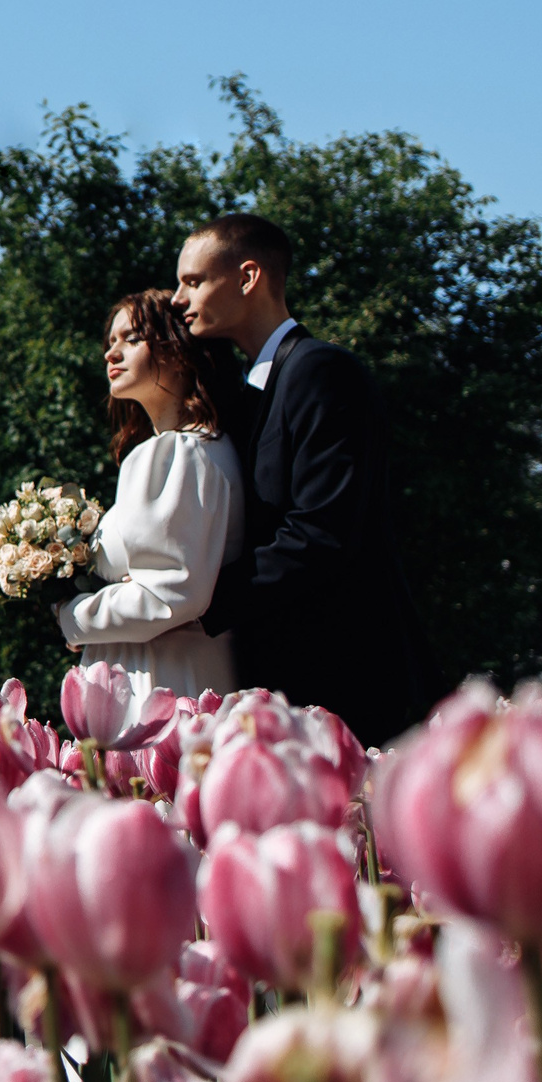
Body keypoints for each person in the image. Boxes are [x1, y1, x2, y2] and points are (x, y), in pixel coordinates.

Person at [174, 212, 425, 744]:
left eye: (193, 282)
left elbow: (321, 533)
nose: (179, 299)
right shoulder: (245, 395)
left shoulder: (321, 372)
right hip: (276, 681)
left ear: (248, 277)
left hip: (345, 681)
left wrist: (187, 603)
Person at [56, 289, 247, 700]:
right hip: (162, 669)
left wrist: (70, 614)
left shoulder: (179, 452)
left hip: (160, 681)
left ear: (177, 350)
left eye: (132, 338)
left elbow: (166, 596)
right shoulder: (197, 448)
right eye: (111, 342)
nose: (111, 353)